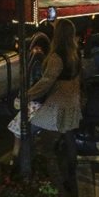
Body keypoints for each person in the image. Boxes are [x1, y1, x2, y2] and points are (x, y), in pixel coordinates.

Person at [20, 20, 83, 187]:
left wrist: (27, 94)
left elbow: (46, 81)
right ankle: (71, 175)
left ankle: (26, 171)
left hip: (56, 104)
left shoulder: (56, 56)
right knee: (69, 137)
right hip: (72, 103)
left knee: (26, 130)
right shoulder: (76, 54)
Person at [6, 32, 51, 163]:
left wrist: (25, 96)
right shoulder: (39, 60)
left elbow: (37, 85)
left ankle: (16, 159)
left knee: (20, 129)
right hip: (35, 102)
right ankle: (15, 159)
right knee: (19, 129)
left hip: (36, 103)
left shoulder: (36, 60)